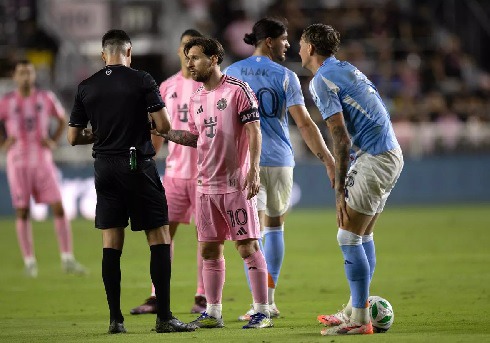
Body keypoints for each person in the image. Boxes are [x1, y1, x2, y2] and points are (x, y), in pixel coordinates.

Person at [67, 29, 196, 334]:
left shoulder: (86, 86)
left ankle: (115, 320)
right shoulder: (142, 80)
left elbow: (74, 136)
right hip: (137, 164)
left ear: (103, 55)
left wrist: (98, 134)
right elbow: (163, 126)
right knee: (160, 237)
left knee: (111, 244)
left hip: (104, 168)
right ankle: (164, 317)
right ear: (129, 52)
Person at [156, 36, 273, 329]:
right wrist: (165, 132)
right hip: (205, 187)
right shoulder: (196, 98)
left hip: (235, 185)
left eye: (195, 57)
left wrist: (254, 170)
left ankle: (262, 311)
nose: (190, 63)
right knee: (209, 249)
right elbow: (196, 139)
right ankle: (213, 311)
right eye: (187, 57)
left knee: (247, 246)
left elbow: (254, 130)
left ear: (214, 59)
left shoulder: (237, 90)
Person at [224, 17, 335, 321]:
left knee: (251, 234)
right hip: (281, 161)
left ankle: (258, 302)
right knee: (275, 228)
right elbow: (304, 123)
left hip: (247, 163)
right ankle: (269, 300)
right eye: (285, 39)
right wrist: (327, 158)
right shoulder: (286, 76)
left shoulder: (230, 74)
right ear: (269, 40)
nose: (288, 44)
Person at [299, 23, 404, 336]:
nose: (299, 49)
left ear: (312, 48)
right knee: (362, 236)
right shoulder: (345, 69)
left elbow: (340, 138)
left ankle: (359, 317)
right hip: (388, 153)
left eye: (302, 44)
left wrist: (338, 193)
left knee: (347, 237)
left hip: (375, 157)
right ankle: (355, 306)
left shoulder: (321, 81)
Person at [130, 28, 207, 316]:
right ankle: (156, 296)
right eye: (185, 48)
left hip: (204, 176)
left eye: (194, 50)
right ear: (179, 51)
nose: (189, 55)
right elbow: (158, 132)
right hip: (174, 174)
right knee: (162, 233)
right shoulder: (166, 87)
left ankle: (203, 296)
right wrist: (146, 164)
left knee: (206, 237)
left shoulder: (208, 87)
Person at [0, 60, 87, 278]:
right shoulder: (7, 101)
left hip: (42, 159)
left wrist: (53, 140)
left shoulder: (45, 97)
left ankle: (67, 258)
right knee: (22, 210)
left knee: (58, 207)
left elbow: (61, 119)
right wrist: (3, 143)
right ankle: (29, 261)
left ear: (33, 76)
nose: (26, 77)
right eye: (21, 73)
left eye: (29, 73)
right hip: (17, 161)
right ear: (15, 76)